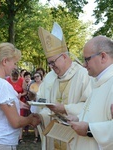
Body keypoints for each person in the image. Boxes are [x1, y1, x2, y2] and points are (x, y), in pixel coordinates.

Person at [37, 22, 93, 150]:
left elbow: (90, 107)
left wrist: (65, 108)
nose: (51, 67)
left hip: (76, 140)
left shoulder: (84, 75)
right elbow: (46, 106)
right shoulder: (52, 78)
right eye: (49, 63)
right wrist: (40, 116)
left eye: (52, 62)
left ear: (63, 56)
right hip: (56, 136)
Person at [0, 42, 41, 150]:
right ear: (5, 61)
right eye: (15, 63)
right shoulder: (2, 85)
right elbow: (16, 122)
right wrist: (30, 119)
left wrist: (17, 103)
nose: (15, 66)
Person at [67, 35, 113, 150]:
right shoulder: (98, 82)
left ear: (103, 57)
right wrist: (79, 118)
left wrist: (89, 129)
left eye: (87, 59)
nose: (84, 64)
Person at [6, 69, 27, 144]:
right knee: (10, 118)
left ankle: (20, 137)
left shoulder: (21, 80)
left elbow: (25, 91)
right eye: (13, 77)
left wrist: (21, 94)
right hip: (10, 102)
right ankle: (11, 136)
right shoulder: (7, 80)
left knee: (20, 118)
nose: (15, 78)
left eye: (16, 77)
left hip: (20, 101)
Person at [29, 72, 43, 143]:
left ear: (41, 76)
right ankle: (36, 136)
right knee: (35, 120)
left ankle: (43, 136)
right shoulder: (32, 85)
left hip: (43, 105)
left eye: (38, 76)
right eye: (35, 77)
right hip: (35, 105)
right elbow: (31, 96)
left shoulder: (44, 84)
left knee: (43, 120)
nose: (36, 78)